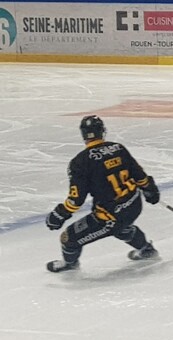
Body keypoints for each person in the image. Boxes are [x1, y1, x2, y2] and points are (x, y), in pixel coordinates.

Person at [45, 116, 161, 272]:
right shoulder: (118, 148)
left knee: (68, 239)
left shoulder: (80, 162)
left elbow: (76, 199)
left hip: (110, 216)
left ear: (83, 134)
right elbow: (140, 176)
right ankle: (146, 249)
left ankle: (70, 264)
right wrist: (150, 190)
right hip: (134, 205)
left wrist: (58, 215)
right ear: (102, 131)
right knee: (121, 227)